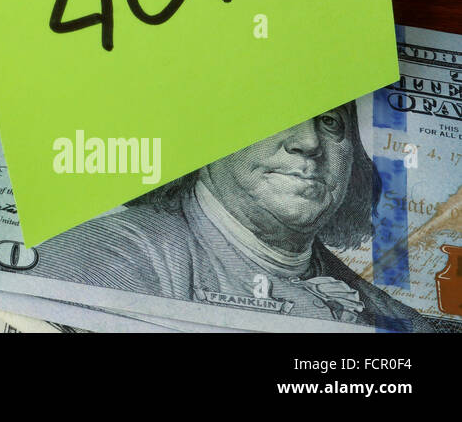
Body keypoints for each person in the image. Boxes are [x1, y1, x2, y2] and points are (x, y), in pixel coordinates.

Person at [33, 102, 447, 330]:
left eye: (328, 121)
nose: (308, 142)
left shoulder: (394, 318)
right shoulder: (101, 259)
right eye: (276, 112)